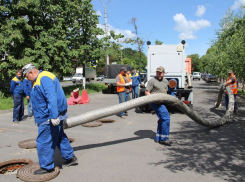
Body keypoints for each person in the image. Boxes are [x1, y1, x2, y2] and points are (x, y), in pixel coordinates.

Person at [22, 63, 77, 175]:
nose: (28, 79)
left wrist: (53, 116)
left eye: (28, 77)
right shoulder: (42, 77)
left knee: (44, 140)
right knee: (59, 137)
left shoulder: (44, 78)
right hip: (52, 113)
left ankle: (47, 167)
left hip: (48, 116)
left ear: (31, 72)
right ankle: (70, 157)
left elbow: (51, 96)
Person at [145, 66, 172, 146]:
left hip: (163, 102)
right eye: (157, 72)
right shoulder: (152, 81)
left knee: (162, 119)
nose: (158, 74)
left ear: (163, 73)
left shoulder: (165, 81)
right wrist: (153, 99)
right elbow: (147, 92)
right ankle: (164, 139)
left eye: (160, 73)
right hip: (156, 103)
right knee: (166, 118)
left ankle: (159, 137)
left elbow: (166, 91)